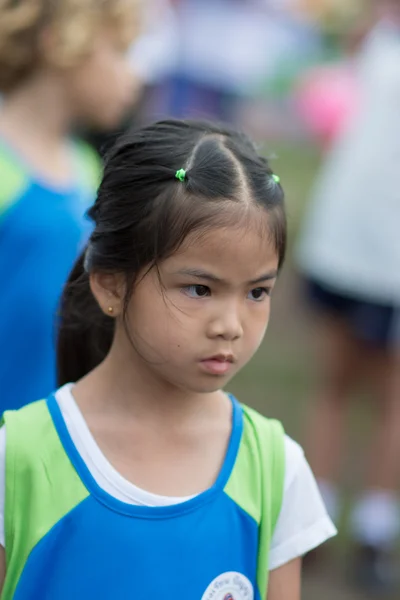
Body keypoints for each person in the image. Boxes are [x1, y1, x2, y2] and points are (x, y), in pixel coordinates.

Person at [0, 119, 336, 599]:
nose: (231, 324)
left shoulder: (274, 471)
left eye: (258, 292)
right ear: (111, 283)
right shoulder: (19, 460)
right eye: (200, 289)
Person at [296, 1, 400, 590]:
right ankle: (317, 514)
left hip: (393, 256)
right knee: (334, 380)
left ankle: (375, 529)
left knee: (392, 394)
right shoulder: (373, 33)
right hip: (345, 239)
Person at [0, 0, 142, 410]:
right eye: (118, 52)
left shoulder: (85, 169)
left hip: (48, 423)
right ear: (59, 43)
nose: (133, 77)